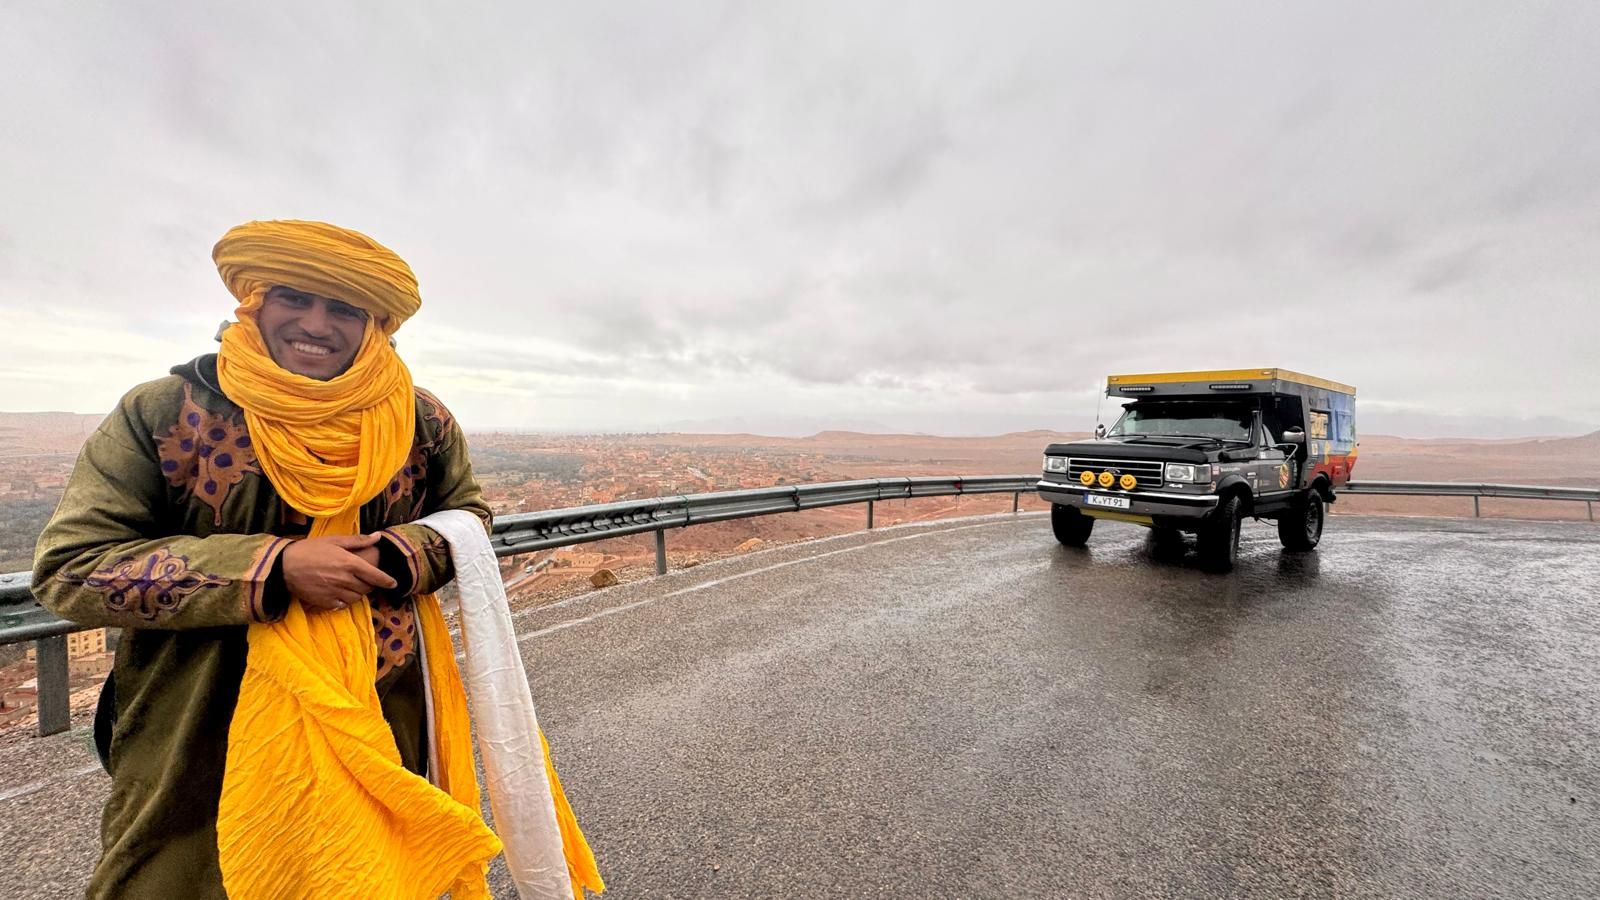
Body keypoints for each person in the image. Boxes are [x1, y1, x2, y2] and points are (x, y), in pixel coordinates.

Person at [33, 220, 506, 898]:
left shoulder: (421, 421)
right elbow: (73, 566)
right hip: (202, 721)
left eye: (342, 307)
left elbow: (468, 520)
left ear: (374, 320)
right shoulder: (168, 412)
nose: (317, 322)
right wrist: (273, 569)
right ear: (254, 301)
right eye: (294, 298)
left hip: (378, 709)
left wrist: (400, 555)